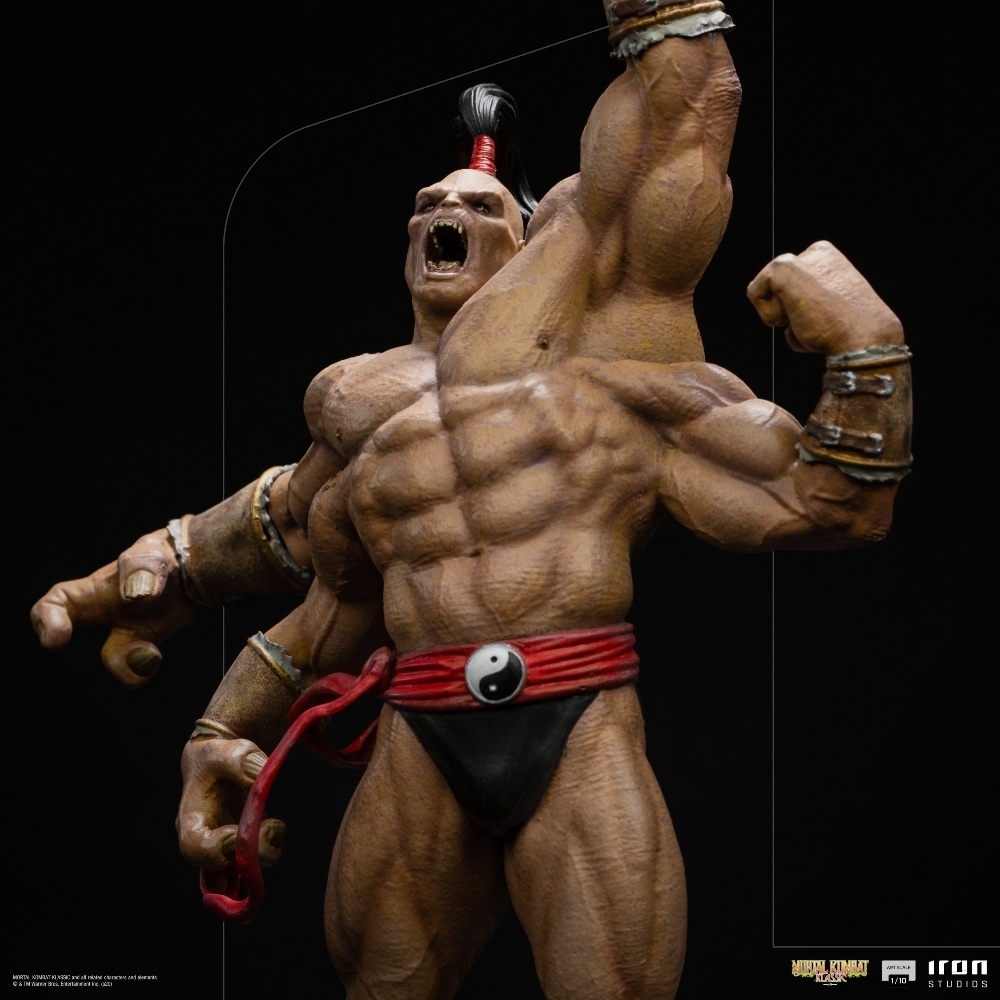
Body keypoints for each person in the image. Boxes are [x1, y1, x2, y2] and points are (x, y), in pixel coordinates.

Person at [31, 5, 913, 997]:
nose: (443, 212)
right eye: (426, 203)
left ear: (528, 242)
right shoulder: (357, 409)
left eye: (481, 206)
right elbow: (303, 570)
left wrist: (868, 350)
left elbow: (835, 502)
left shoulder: (608, 371)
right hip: (419, 732)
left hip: (573, 718)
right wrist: (185, 650)